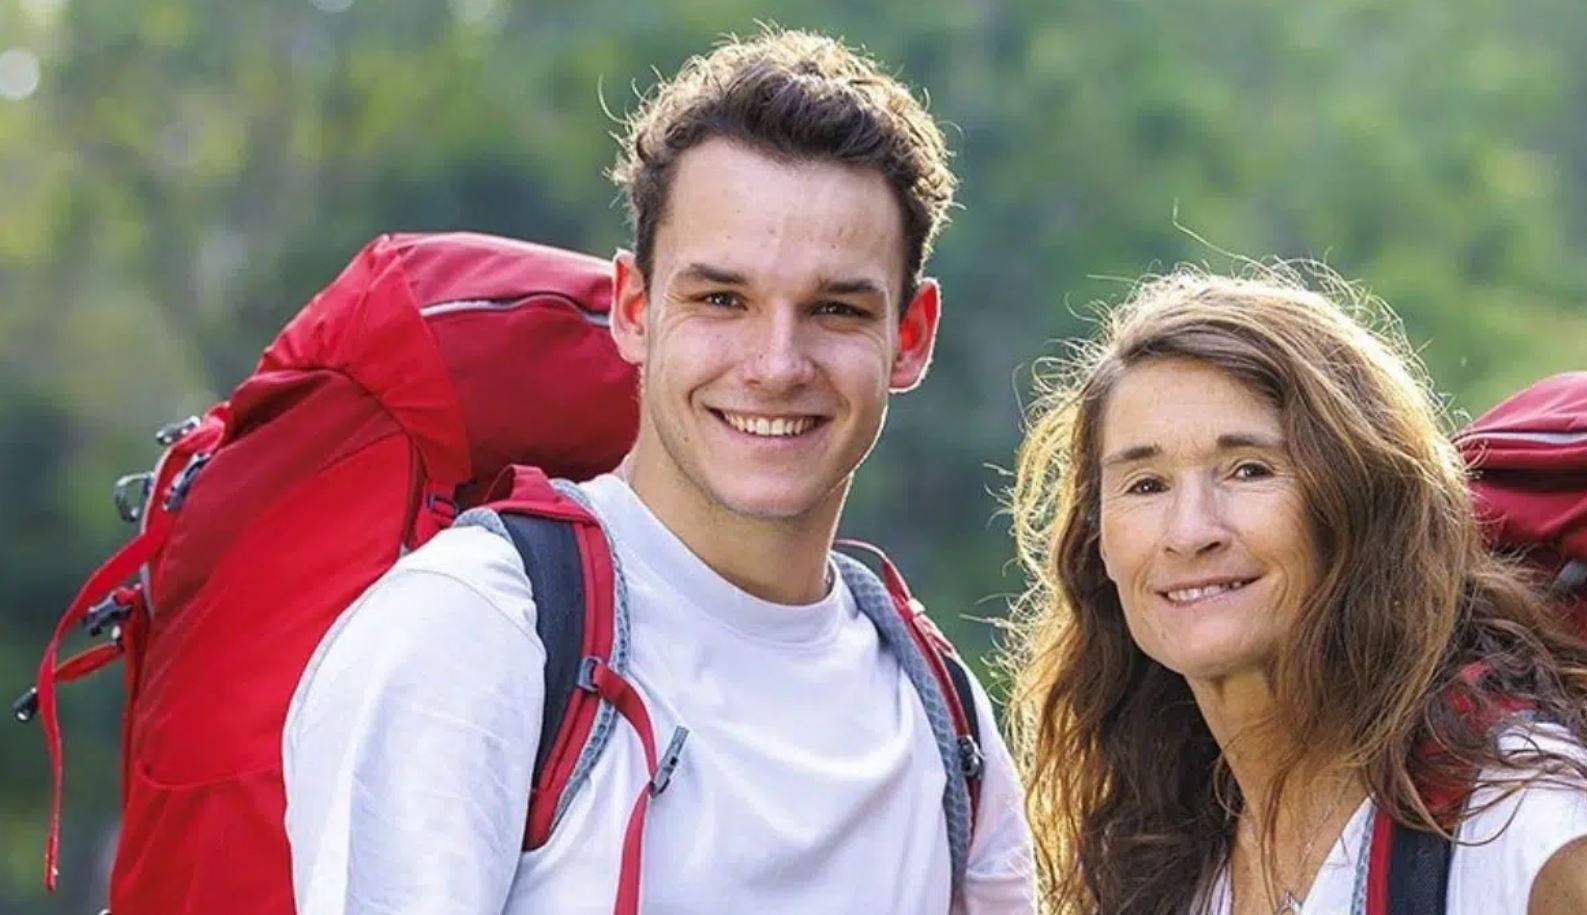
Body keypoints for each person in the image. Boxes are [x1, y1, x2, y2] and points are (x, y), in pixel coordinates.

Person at [280, 28, 1036, 915]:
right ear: (634, 309)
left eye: (835, 308)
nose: (776, 362)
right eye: (723, 299)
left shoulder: (943, 717)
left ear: (909, 337)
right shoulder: (476, 633)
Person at [1003, 265, 1587, 914]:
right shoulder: (1158, 852)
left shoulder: (1525, 819)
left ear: (1355, 501)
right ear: (1097, 541)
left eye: (1249, 469)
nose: (1188, 532)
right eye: (1146, 484)